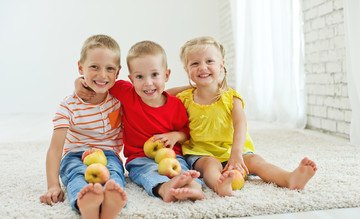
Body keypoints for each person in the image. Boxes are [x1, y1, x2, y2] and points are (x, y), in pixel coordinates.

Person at [171, 36, 317, 197]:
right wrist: (196, 84)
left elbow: (240, 124)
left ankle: (289, 178)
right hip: (201, 153)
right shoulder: (184, 98)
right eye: (195, 64)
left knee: (256, 161)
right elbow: (163, 93)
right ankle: (220, 185)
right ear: (186, 69)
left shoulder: (231, 97)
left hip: (235, 151)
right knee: (210, 165)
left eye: (209, 61)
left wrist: (236, 153)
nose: (202, 67)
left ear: (221, 65)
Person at [76, 40, 204, 202]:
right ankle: (165, 189)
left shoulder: (175, 105)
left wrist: (174, 136)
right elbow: (102, 81)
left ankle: (195, 188)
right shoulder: (127, 93)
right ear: (131, 78)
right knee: (147, 172)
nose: (148, 83)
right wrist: (79, 81)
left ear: (166, 75)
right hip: (139, 157)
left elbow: (185, 133)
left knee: (183, 170)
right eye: (139, 77)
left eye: (155, 75)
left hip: (172, 155)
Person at [40, 35, 127, 219]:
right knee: (77, 174)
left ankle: (110, 204)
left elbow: (154, 95)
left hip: (108, 155)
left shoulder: (119, 98)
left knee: (113, 173)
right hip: (75, 155)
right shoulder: (68, 106)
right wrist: (53, 185)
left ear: (118, 72)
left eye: (109, 68)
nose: (102, 75)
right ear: (81, 68)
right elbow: (55, 149)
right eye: (94, 67)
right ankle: (85, 204)